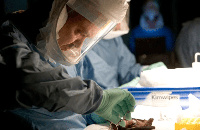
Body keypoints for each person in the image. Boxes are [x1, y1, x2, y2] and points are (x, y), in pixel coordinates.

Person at [0, 0, 135, 129]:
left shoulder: (59, 47)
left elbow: (69, 105)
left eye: (86, 38)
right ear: (58, 11)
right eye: (79, 32)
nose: (78, 45)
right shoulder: (7, 41)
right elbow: (31, 82)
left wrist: (91, 114)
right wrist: (98, 100)